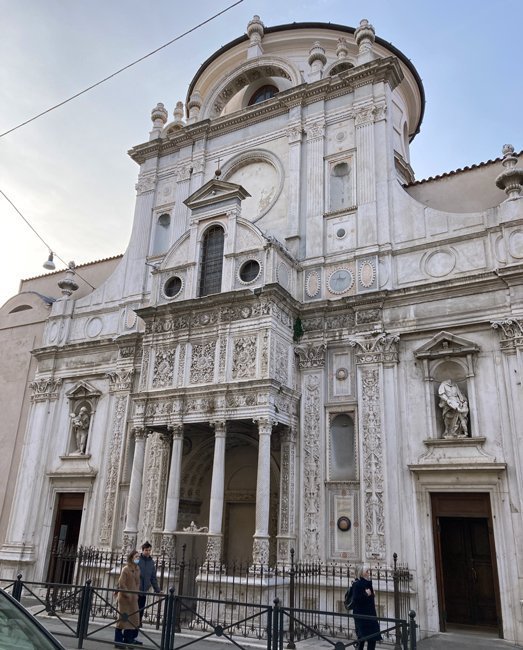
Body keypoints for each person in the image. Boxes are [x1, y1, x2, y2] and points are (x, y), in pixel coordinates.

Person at [114, 550, 143, 647]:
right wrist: (128, 594)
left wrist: (136, 592)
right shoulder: (125, 569)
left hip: (134, 598)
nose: (138, 558)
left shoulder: (138, 569)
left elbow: (138, 582)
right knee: (123, 619)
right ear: (131, 558)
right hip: (124, 598)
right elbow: (121, 583)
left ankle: (128, 639)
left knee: (133, 619)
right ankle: (118, 641)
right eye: (136, 557)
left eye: (138, 557)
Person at [352, 564, 382, 650]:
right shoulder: (357, 584)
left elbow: (369, 598)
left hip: (370, 614)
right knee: (361, 638)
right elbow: (356, 600)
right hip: (361, 616)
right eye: (367, 571)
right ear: (361, 573)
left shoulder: (368, 583)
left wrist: (372, 594)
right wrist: (366, 594)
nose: (369, 573)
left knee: (372, 638)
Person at [137, 541, 161, 626]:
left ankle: (139, 621)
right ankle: (134, 622)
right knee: (134, 607)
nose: (148, 552)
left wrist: (157, 590)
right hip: (136, 589)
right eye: (146, 550)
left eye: (149, 550)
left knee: (141, 607)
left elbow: (153, 578)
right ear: (142, 550)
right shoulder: (137, 560)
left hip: (144, 590)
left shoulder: (151, 563)